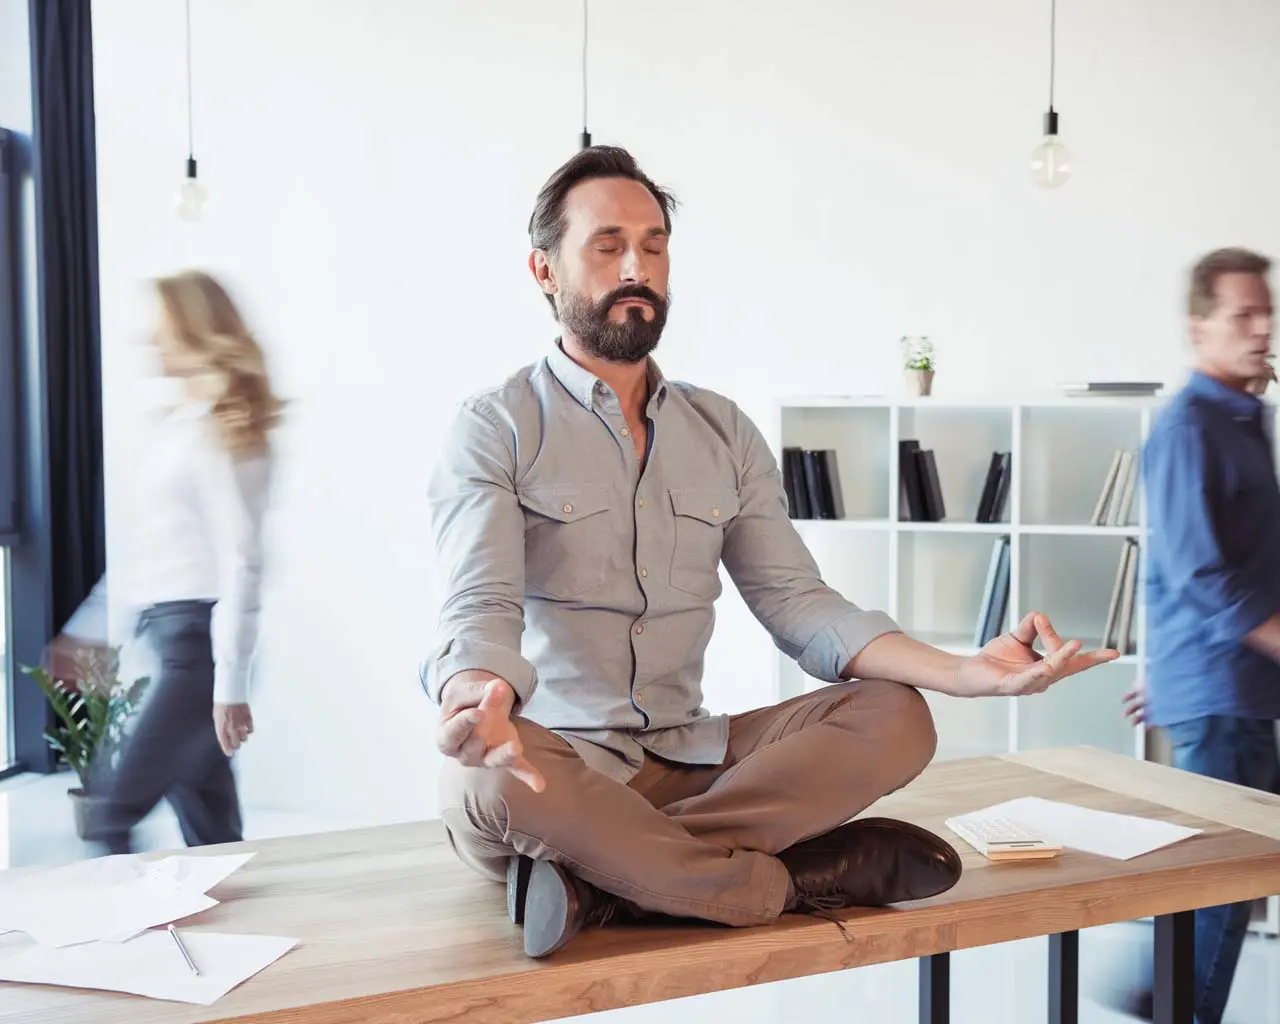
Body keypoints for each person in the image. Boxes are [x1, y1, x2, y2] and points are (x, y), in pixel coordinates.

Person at [423, 146, 1117, 959]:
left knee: (896, 713)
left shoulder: (722, 429)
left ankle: (606, 881)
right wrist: (479, 695)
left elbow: (798, 602)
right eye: (607, 246)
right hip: (557, 764)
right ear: (544, 269)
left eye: (654, 244)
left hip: (688, 758)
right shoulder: (495, 425)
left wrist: (962, 671)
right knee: (482, 780)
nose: (637, 266)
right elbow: (480, 603)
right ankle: (784, 884)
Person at [52, 270, 283, 855]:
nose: (150, 343)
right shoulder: (178, 427)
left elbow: (243, 562)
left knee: (109, 811)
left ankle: (117, 939)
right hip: (169, 638)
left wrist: (229, 684)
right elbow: (149, 552)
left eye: (162, 330)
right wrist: (87, 631)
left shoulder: (223, 429)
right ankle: (232, 937)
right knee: (213, 836)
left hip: (196, 653)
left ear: (193, 330)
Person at [1114, 248, 1279, 1024]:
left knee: (1229, 884)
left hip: (1227, 686)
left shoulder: (1243, 418)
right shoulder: (1189, 427)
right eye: (1242, 315)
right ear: (1198, 327)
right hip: (1222, 692)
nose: (1261, 328)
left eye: (1267, 311)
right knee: (1227, 889)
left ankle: (1157, 995)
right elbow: (1199, 571)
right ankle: (1166, 1004)